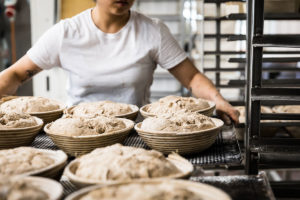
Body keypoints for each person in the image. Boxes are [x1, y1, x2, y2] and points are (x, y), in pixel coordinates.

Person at [0, 0, 239, 124]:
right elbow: (17, 73)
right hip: (80, 133)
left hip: (135, 134)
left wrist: (217, 101)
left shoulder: (152, 31)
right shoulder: (67, 33)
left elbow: (191, 78)